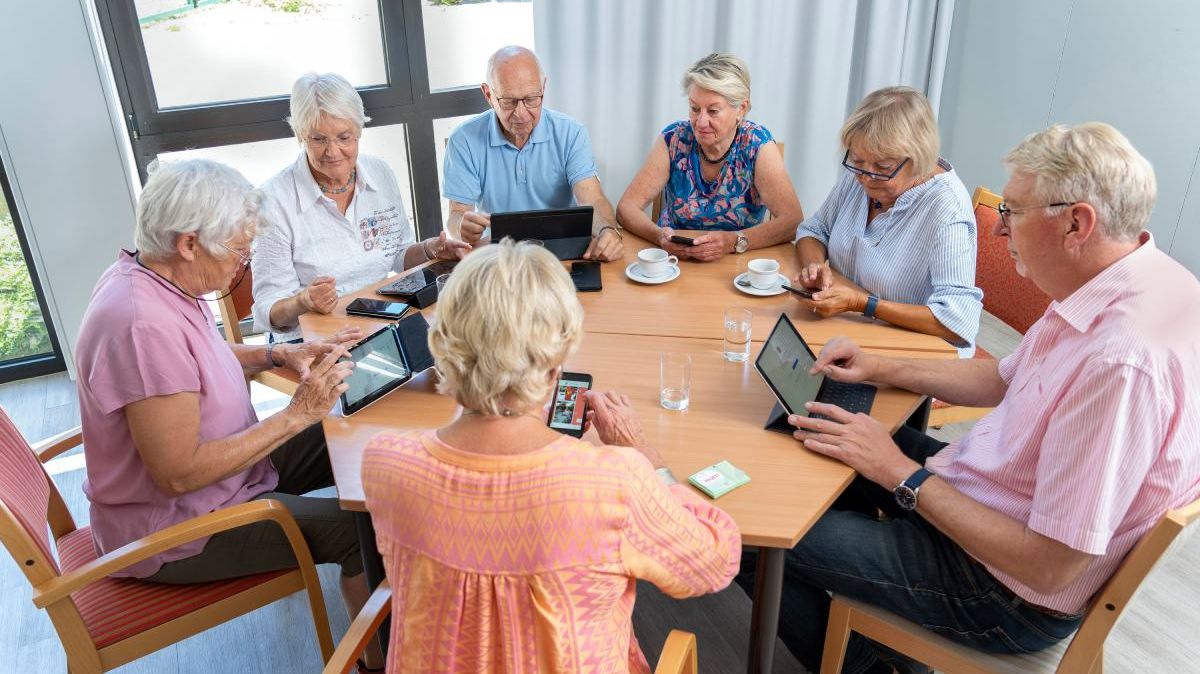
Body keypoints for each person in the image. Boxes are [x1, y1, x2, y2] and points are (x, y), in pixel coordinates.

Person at [736, 122, 1200, 674]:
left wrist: (899, 473)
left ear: (1077, 222)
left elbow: (1050, 566)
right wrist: (880, 365)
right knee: (814, 422)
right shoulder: (1127, 278)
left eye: (1013, 212)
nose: (1000, 233)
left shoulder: (1121, 363)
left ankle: (876, 667)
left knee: (746, 534)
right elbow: (1006, 379)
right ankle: (871, 605)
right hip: (987, 491)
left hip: (1004, 592)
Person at [361, 240, 741, 673]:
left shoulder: (385, 463)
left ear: (445, 344)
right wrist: (644, 453)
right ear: (555, 363)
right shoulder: (614, 482)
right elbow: (714, 563)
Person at [75, 159, 382, 672]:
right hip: (180, 529)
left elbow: (196, 361)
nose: (244, 264)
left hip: (230, 476)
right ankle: (375, 662)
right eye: (239, 251)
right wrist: (294, 416)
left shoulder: (154, 276)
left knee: (349, 428)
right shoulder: (140, 325)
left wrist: (275, 355)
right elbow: (179, 475)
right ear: (189, 243)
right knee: (364, 536)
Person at [253, 72, 469, 343]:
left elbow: (398, 255)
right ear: (300, 135)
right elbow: (267, 311)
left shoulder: (380, 173)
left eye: (344, 137)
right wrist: (303, 301)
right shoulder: (273, 201)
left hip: (381, 322)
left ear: (359, 131)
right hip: (311, 340)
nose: (332, 152)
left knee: (461, 355)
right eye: (318, 139)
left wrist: (430, 250)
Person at [792, 87, 983, 354]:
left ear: (919, 159)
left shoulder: (947, 208)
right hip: (848, 332)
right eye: (857, 161)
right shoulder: (863, 173)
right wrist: (815, 266)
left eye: (882, 168)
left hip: (912, 352)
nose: (867, 177)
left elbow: (958, 320)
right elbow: (815, 229)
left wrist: (863, 304)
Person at [442, 45, 624, 262]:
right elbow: (456, 215)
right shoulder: (463, 140)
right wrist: (462, 225)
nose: (521, 114)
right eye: (509, 101)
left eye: (531, 99)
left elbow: (593, 198)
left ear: (543, 88)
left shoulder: (571, 133)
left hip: (564, 254)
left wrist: (608, 232)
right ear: (488, 94)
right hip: (499, 257)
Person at [617, 53, 803, 262]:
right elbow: (626, 208)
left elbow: (792, 221)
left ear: (740, 108)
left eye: (713, 111)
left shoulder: (757, 145)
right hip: (674, 262)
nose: (700, 122)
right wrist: (659, 236)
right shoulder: (674, 139)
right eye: (694, 108)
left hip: (736, 265)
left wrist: (734, 241)